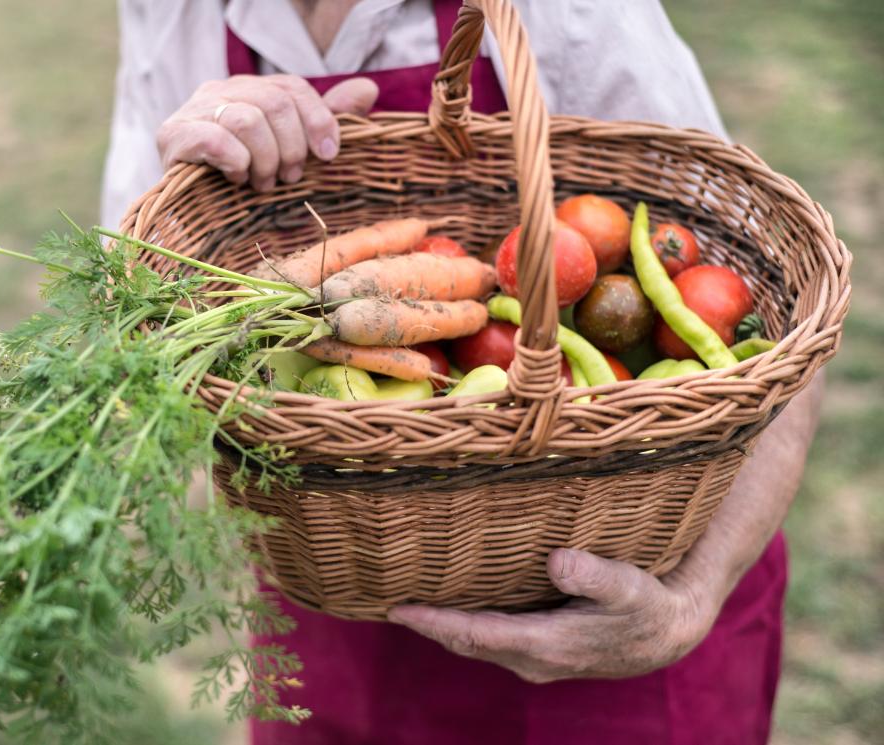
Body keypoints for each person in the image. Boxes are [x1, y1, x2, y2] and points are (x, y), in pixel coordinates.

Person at [102, 2, 824, 743]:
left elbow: (779, 327)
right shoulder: (171, 9)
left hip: (616, 630)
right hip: (341, 597)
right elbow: (138, 294)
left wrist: (688, 600)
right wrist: (192, 169)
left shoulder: (567, 13)